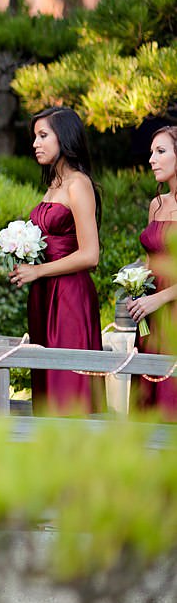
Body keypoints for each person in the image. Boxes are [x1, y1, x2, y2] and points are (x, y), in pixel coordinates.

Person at [7, 107, 102, 414]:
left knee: (68, 385)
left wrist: (38, 270)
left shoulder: (78, 183)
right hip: (44, 296)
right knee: (46, 385)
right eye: (34, 136)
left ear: (65, 137)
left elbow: (90, 255)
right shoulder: (53, 186)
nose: (36, 143)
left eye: (43, 135)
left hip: (69, 296)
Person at [129, 125, 177, 411]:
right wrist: (137, 288)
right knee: (147, 397)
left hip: (169, 307)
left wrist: (157, 299)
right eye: (151, 153)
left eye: (160, 151)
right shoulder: (156, 205)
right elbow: (150, 259)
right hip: (149, 312)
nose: (152, 159)